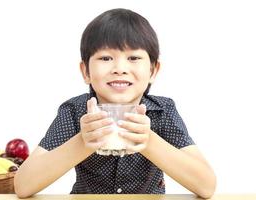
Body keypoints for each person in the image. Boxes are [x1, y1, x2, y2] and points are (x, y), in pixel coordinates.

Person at [14, 8, 216, 198]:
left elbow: (206, 186)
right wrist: (83, 142)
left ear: (153, 71)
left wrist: (149, 142)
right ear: (86, 72)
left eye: (133, 57)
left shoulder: (162, 111)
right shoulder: (75, 112)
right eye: (106, 57)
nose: (120, 68)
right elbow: (23, 186)